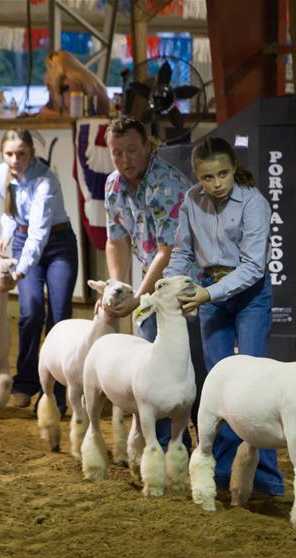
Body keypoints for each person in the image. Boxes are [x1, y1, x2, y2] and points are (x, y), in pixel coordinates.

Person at [164, 136, 285, 497]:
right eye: (207, 177)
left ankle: (264, 478)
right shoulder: (191, 201)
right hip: (210, 294)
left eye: (223, 174)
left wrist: (205, 294)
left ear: (234, 168)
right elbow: (183, 252)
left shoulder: (254, 203)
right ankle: (219, 471)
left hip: (248, 296)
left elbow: (252, 267)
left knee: (254, 389)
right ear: (196, 177)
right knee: (217, 388)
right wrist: (170, 287)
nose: (216, 184)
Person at [102, 116, 206, 451]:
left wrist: (138, 299)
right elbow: (115, 240)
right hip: (153, 287)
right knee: (153, 378)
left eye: (132, 150)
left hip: (188, 290)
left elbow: (168, 250)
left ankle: (205, 455)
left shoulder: (168, 185)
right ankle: (166, 451)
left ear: (148, 145)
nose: (124, 159)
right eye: (117, 153)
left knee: (195, 379)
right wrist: (117, 288)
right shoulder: (113, 187)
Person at [0, 129, 79, 410]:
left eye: (21, 154)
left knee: (59, 317)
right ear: (2, 154)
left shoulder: (46, 180)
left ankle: (55, 392)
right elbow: (10, 211)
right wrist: (7, 231)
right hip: (22, 240)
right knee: (30, 312)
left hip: (58, 244)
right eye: (9, 154)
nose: (15, 160)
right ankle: (25, 382)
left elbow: (39, 234)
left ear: (31, 152)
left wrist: (20, 271)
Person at [38, 50, 110, 118]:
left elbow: (77, 118)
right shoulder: (86, 79)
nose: (46, 75)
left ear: (55, 70)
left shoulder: (70, 83)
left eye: (47, 70)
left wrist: (49, 114)